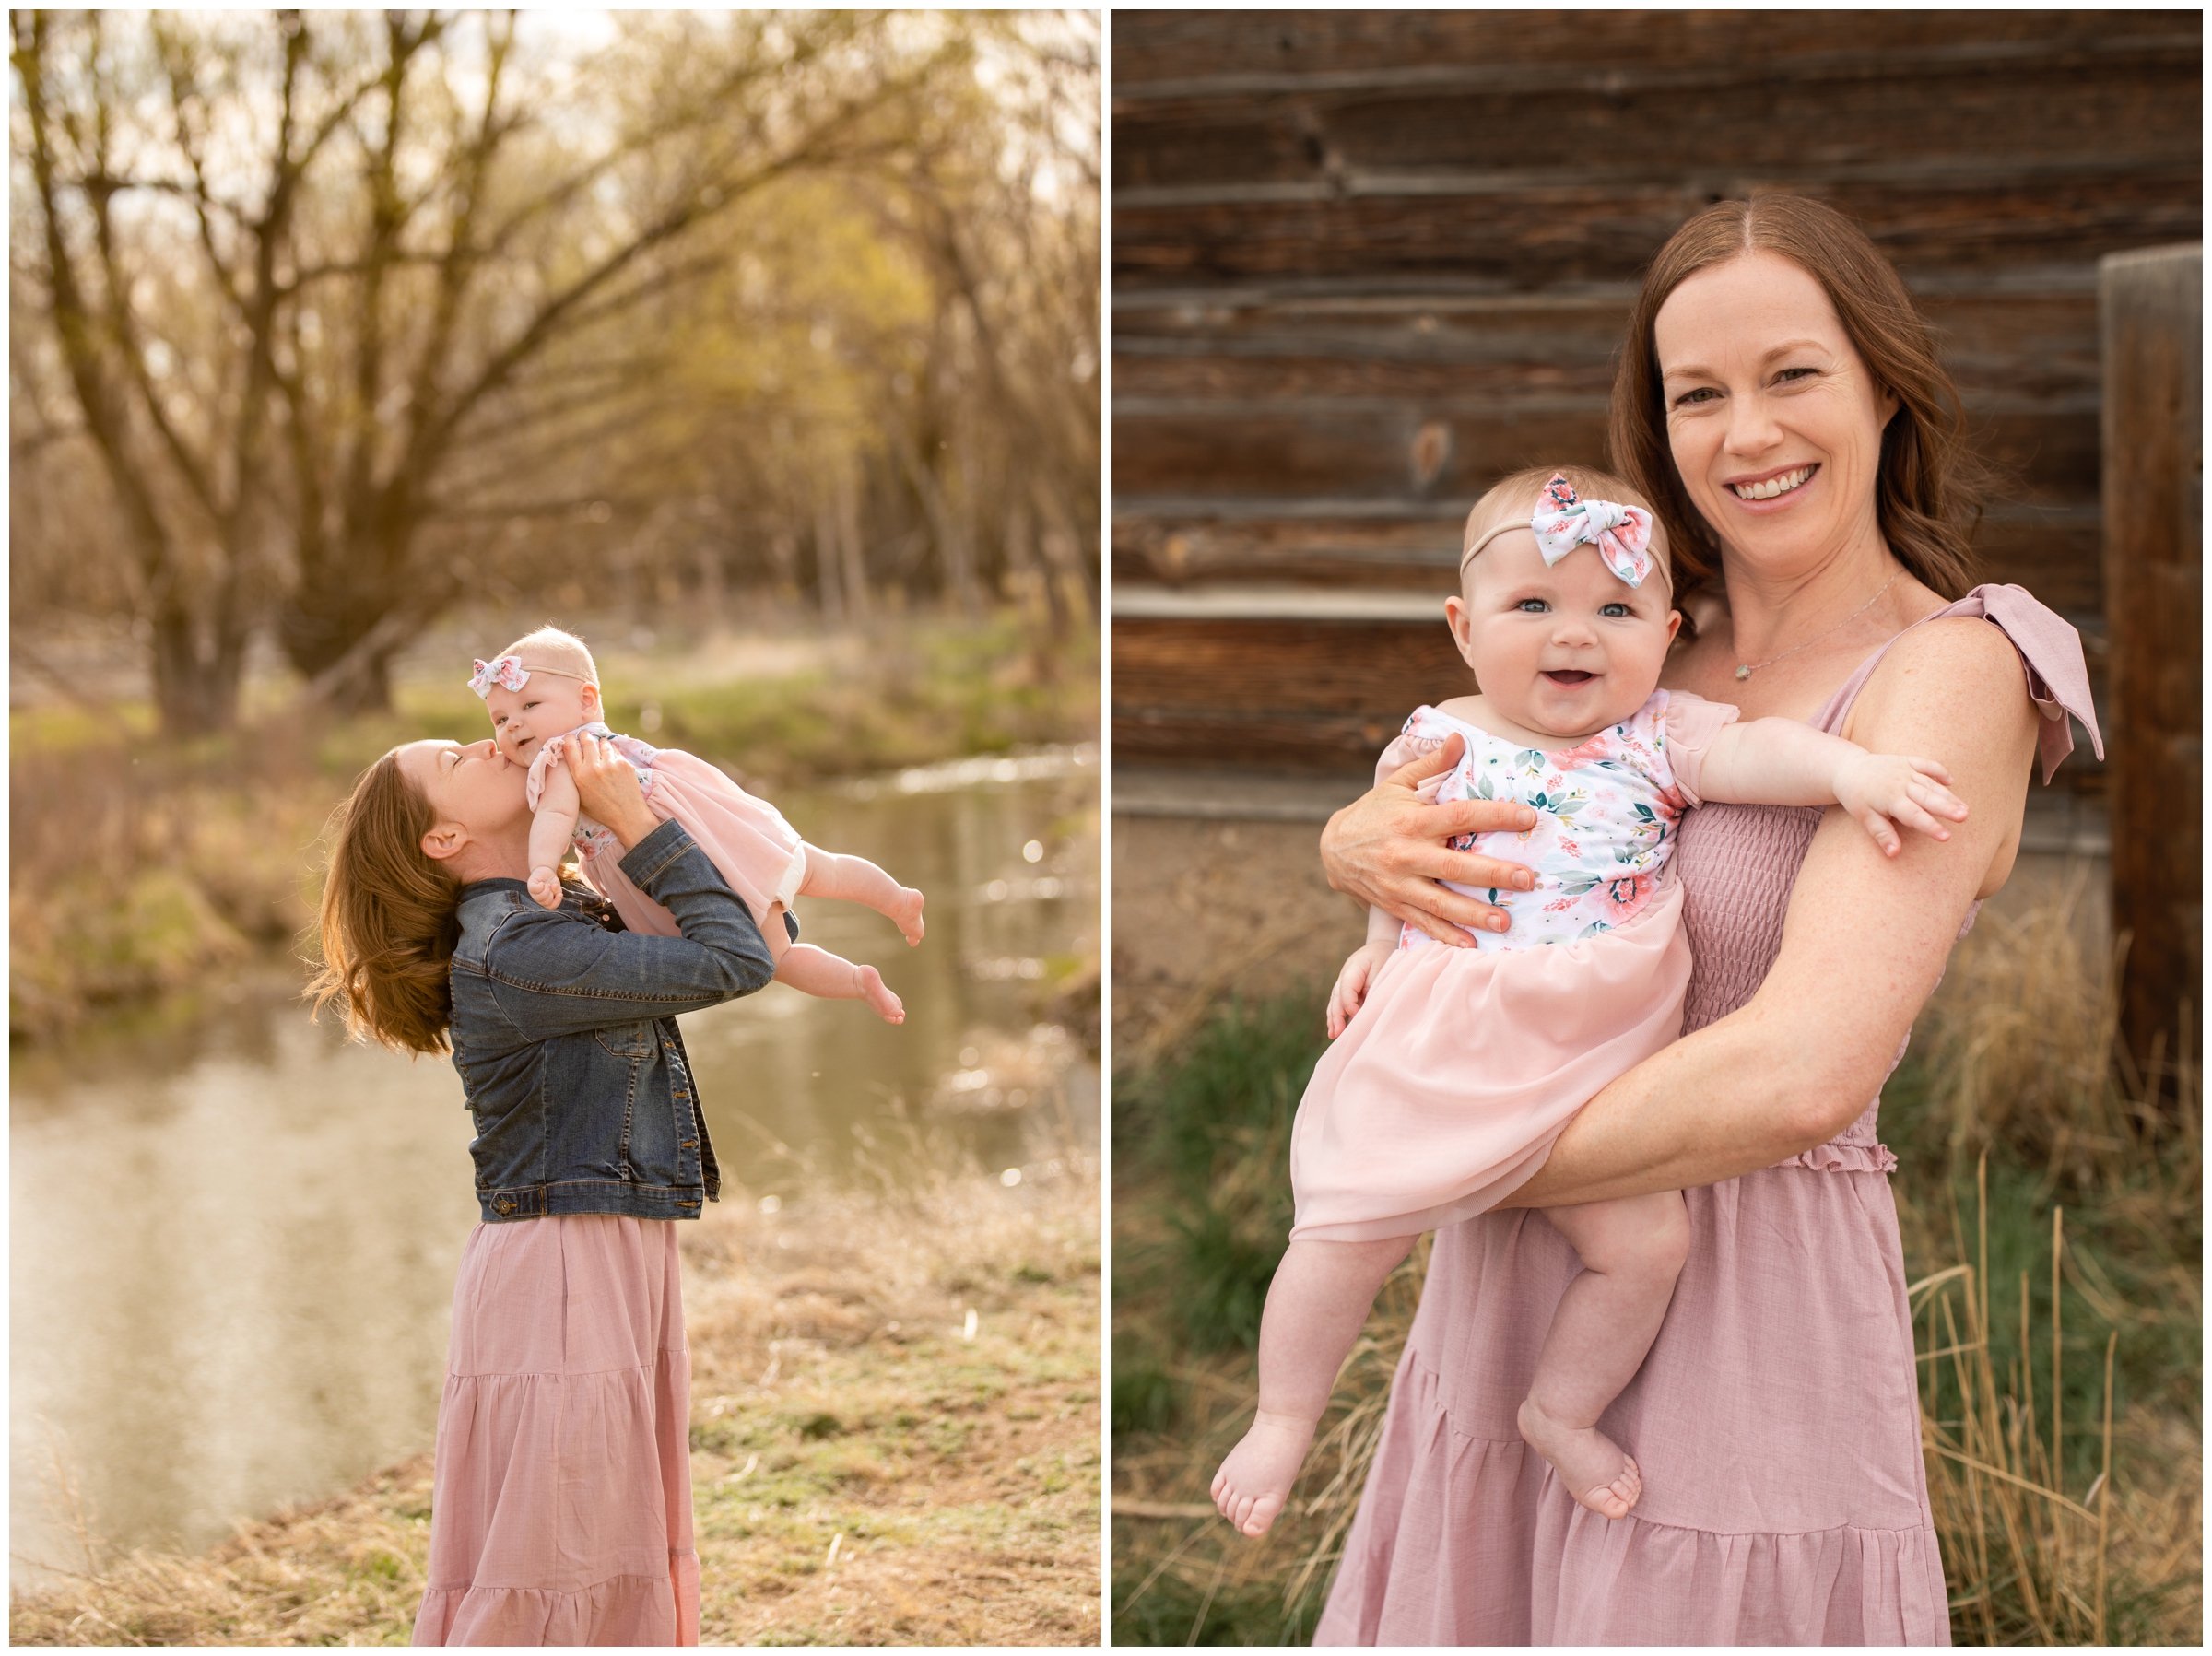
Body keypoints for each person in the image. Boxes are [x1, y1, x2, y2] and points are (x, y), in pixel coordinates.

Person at [1309, 195, 2100, 1644]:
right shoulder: (1616, 644)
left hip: (1747, 1324)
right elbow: (1472, 855)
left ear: (1882, 382)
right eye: (1698, 394)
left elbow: (1804, 1072)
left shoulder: (1953, 669)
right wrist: (1354, 841)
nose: (1748, 433)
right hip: (1507, 1303)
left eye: (1792, 373)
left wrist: (1422, 1149)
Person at [1210, 466, 1968, 1539]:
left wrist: (1852, 775)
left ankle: (1560, 1408)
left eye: (1614, 611)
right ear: (1463, 627)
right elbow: (1399, 858)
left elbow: (1757, 753)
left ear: (1665, 633)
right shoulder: (1439, 741)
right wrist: (1374, 947)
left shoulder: (1659, 736)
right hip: (1448, 1033)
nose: (1577, 635)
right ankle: (1283, 1416)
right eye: (1534, 607)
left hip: (1593, 1073)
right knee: (1341, 1230)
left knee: (1646, 1247)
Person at [312, 727, 778, 1644]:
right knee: (556, 1552)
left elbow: (761, 921)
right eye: (455, 764)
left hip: (599, 1243)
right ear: (442, 841)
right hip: (563, 1265)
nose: (490, 747)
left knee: (597, 1532)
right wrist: (633, 818)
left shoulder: (554, 905)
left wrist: (625, 821)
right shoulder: (521, 950)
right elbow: (736, 961)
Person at [472, 625, 923, 1023]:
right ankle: (894, 907)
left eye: (529, 705)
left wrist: (543, 867)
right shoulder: (585, 746)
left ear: (587, 700)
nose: (513, 725)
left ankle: (865, 971)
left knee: (772, 956)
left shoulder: (563, 758)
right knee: (815, 872)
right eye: (501, 718)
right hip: (705, 829)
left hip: (671, 851)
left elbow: (554, 815)